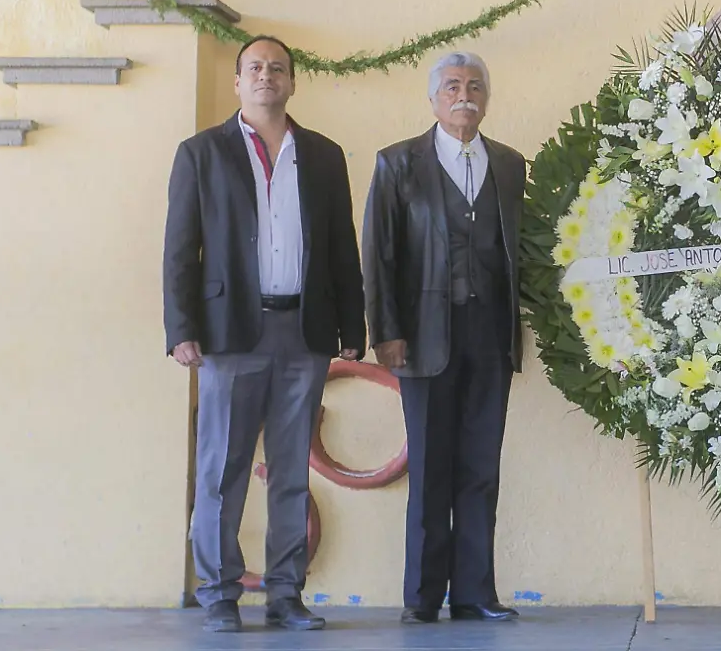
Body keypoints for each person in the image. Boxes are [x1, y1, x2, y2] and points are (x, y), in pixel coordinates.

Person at [163, 35, 365, 633]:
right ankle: (219, 592)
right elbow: (179, 251)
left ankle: (285, 593)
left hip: (304, 331)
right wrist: (182, 329)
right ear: (237, 81)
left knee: (289, 470)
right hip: (230, 335)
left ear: (293, 82)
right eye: (255, 68)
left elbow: (341, 251)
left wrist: (352, 327)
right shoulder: (202, 153)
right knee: (221, 469)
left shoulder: (325, 156)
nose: (266, 76)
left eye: (278, 68)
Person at [363, 52, 528, 624]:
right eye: (453, 86)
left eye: (476, 86)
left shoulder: (509, 165)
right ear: (433, 99)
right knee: (431, 466)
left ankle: (477, 592)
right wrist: (385, 332)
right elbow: (379, 257)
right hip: (423, 335)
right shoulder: (397, 164)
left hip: (490, 333)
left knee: (481, 465)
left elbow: (520, 252)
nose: (465, 95)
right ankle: (423, 596)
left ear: (487, 98)